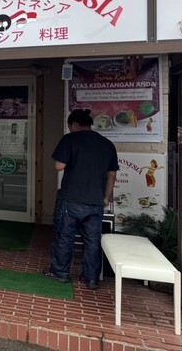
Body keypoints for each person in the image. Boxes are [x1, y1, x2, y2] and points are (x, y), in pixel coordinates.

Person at [42, 109, 118, 290]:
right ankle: (91, 278)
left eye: (70, 126)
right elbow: (111, 176)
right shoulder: (107, 144)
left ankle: (60, 272)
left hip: (70, 200)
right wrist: (105, 198)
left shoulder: (70, 139)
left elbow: (59, 166)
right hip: (96, 202)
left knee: (64, 237)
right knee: (92, 241)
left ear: (74, 125)